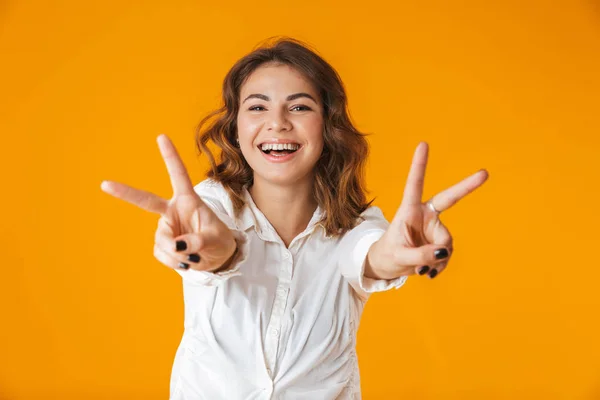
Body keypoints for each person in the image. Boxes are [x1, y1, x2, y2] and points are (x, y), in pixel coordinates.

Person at [101, 37, 488, 399]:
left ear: (328, 127)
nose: (278, 123)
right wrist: (204, 249)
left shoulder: (356, 224)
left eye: (300, 106)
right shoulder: (210, 206)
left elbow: (371, 255)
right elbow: (220, 244)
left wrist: (400, 254)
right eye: (257, 107)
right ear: (235, 129)